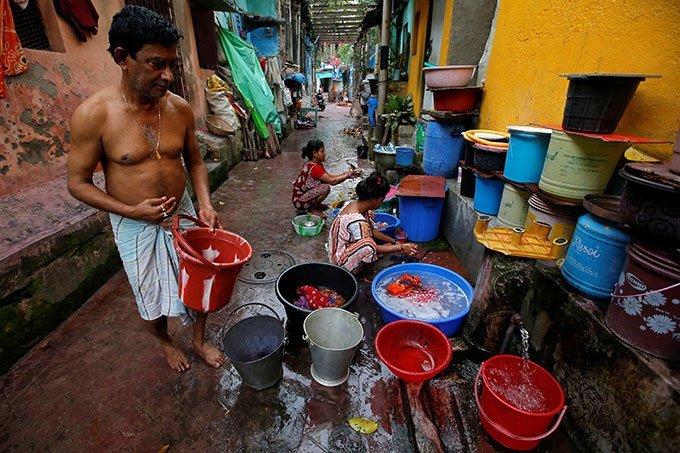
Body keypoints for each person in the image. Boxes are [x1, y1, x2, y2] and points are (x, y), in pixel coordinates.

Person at [67, 5, 224, 372]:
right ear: (123, 57)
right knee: (150, 298)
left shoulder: (180, 109)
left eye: (172, 64)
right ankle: (165, 341)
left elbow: (196, 161)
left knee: (201, 279)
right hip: (134, 222)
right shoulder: (94, 115)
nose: (168, 75)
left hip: (183, 211)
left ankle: (199, 340)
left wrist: (204, 203)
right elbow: (77, 183)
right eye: (156, 64)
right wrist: (132, 211)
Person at [328, 172, 419, 279]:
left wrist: (393, 241)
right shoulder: (356, 221)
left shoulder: (356, 205)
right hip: (340, 264)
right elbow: (370, 247)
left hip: (344, 250)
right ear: (374, 199)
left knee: (370, 241)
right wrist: (401, 247)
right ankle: (366, 275)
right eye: (381, 200)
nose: (381, 203)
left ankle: (364, 264)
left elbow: (371, 230)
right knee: (369, 246)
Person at [292, 139, 361, 217]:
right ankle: (312, 209)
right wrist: (347, 175)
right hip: (300, 202)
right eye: (322, 151)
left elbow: (329, 176)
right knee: (325, 187)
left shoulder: (312, 163)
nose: (324, 154)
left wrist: (345, 174)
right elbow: (332, 181)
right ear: (314, 153)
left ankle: (314, 205)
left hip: (299, 198)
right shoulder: (315, 167)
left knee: (324, 184)